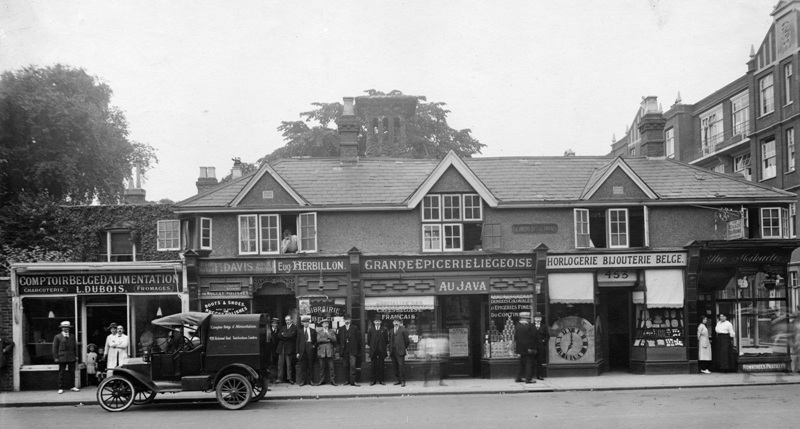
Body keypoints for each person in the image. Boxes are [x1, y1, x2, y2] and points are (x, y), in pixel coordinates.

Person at [52, 321, 79, 394]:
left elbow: (75, 347)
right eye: (64, 327)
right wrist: (56, 357)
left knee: (72, 372)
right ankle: (60, 388)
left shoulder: (72, 336)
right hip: (62, 357)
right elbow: (55, 348)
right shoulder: (57, 336)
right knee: (61, 373)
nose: (66, 329)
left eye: (67, 327)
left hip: (71, 356)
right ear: (62, 328)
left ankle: (72, 386)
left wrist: (76, 356)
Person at [337, 314, 361, 386]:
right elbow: (338, 339)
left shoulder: (354, 328)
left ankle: (353, 381)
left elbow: (358, 339)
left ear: (350, 320)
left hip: (352, 350)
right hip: (344, 350)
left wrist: (356, 348)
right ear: (344, 320)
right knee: (345, 365)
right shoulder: (341, 329)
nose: (347, 321)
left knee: (353, 365)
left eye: (348, 319)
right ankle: (347, 380)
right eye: (345, 319)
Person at [514, 311, 536, 383]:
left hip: (520, 348)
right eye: (528, 318)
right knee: (529, 363)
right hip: (528, 348)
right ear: (526, 319)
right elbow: (531, 338)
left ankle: (518, 377)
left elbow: (516, 337)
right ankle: (528, 379)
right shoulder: (529, 326)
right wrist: (531, 348)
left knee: (521, 363)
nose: (529, 320)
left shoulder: (517, 326)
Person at [366, 315, 388, 385]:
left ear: (381, 322)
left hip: (381, 350)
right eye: (376, 321)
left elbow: (386, 340)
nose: (377, 322)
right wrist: (372, 346)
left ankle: (381, 380)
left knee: (381, 365)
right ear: (374, 322)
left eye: (378, 321)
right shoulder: (371, 329)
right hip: (373, 349)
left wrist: (382, 346)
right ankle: (373, 380)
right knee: (373, 366)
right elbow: (369, 340)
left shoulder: (384, 330)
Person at [389, 316, 410, 387]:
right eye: (395, 322)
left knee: (401, 366)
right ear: (392, 323)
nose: (396, 323)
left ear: (400, 323)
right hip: (393, 351)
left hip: (400, 351)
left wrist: (403, 347)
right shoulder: (391, 331)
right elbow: (390, 341)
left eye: (397, 322)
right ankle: (398, 380)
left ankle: (403, 381)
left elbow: (407, 341)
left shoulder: (403, 330)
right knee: (395, 366)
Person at [296, 315, 316, 386]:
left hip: (310, 348)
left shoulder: (313, 331)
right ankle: (303, 381)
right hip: (302, 350)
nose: (306, 324)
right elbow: (297, 342)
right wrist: (297, 352)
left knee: (311, 366)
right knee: (303, 366)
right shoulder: (300, 331)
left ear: (309, 323)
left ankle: (311, 380)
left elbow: (315, 341)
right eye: (304, 322)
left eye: (307, 322)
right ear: (302, 323)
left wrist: (313, 346)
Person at [315, 318, 337, 386]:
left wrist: (329, 335)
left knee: (331, 367)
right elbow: (318, 340)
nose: (326, 325)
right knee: (322, 367)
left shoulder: (332, 331)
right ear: (322, 324)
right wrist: (327, 340)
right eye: (324, 323)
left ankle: (332, 381)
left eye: (327, 323)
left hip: (329, 351)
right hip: (321, 351)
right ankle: (322, 380)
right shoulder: (319, 332)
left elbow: (334, 339)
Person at [277, 315, 297, 384]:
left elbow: (291, 336)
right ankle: (280, 378)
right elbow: (278, 335)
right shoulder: (283, 327)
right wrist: (285, 335)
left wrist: (284, 334)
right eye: (286, 320)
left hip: (289, 348)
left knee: (289, 364)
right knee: (280, 363)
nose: (287, 321)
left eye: (288, 320)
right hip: (281, 347)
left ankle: (289, 378)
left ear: (291, 320)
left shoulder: (294, 327)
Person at [532, 312, 549, 381]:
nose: (538, 319)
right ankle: (531, 375)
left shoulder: (544, 326)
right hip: (533, 346)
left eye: (539, 318)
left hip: (541, 346)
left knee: (540, 361)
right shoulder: (531, 326)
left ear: (541, 319)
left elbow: (547, 336)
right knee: (532, 361)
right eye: (536, 318)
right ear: (534, 319)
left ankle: (539, 375)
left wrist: (544, 341)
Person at [266, 317, 280, 382]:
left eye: (276, 323)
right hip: (270, 350)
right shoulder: (268, 331)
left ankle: (275, 378)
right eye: (274, 323)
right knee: (270, 364)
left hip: (277, 349)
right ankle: (270, 378)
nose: (275, 325)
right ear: (271, 324)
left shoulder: (279, 331)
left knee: (276, 364)